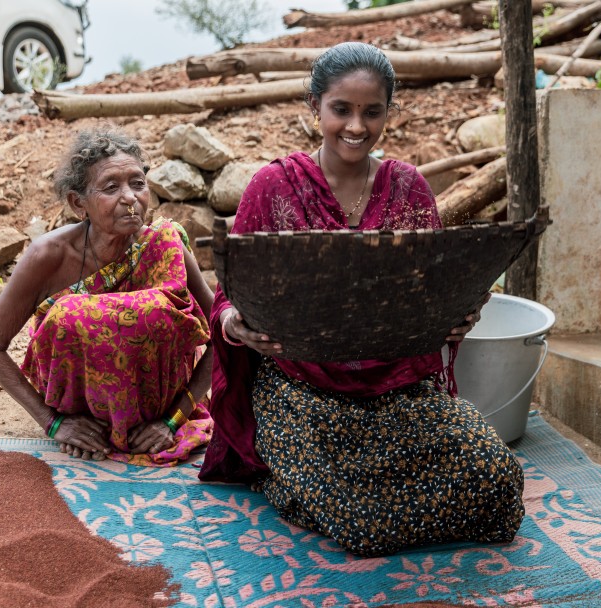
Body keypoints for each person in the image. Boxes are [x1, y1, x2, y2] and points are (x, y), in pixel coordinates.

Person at [199, 42, 525, 557]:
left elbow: (430, 289)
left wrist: (456, 315)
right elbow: (227, 297)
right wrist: (236, 323)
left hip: (396, 388)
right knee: (363, 525)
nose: (356, 126)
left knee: (498, 484)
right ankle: (290, 479)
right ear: (314, 105)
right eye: (341, 109)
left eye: (372, 112)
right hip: (301, 391)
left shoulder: (409, 188)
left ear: (389, 113)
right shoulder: (273, 187)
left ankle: (317, 491)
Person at [0, 129, 214, 466]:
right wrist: (52, 422)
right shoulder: (49, 256)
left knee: (153, 309)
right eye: (111, 187)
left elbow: (223, 330)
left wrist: (173, 419)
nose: (130, 197)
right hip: (78, 413)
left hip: (158, 413)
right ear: (78, 203)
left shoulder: (165, 245)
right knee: (72, 314)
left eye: (137, 183)